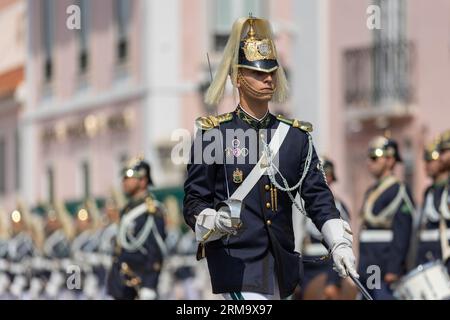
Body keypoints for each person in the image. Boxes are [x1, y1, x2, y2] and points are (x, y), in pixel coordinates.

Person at [183, 15, 358, 300]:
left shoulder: (295, 138)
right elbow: (194, 200)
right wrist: (213, 219)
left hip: (281, 268)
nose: (268, 78)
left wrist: (339, 243)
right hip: (237, 265)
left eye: (272, 71)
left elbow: (317, 196)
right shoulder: (213, 134)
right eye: (257, 72)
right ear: (238, 77)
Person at [358, 135, 414, 300]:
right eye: (368, 157)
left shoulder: (399, 190)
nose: (370, 161)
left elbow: (403, 232)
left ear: (390, 160)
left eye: (375, 157)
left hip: (384, 268)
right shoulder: (371, 191)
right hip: (368, 266)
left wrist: (394, 268)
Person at [107, 156, 167, 300]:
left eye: (128, 177)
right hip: (120, 283)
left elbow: (155, 251)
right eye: (123, 177)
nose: (124, 182)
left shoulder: (151, 210)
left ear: (143, 180)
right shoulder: (128, 209)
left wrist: (150, 285)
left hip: (139, 283)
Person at [300, 157, 355, 300]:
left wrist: (333, 281)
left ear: (330, 177)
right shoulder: (308, 206)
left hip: (328, 266)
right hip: (309, 266)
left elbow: (342, 244)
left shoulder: (338, 207)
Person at [415, 139, 448, 266]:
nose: (427, 165)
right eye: (426, 160)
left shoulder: (447, 189)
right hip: (427, 256)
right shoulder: (428, 191)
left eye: (431, 159)